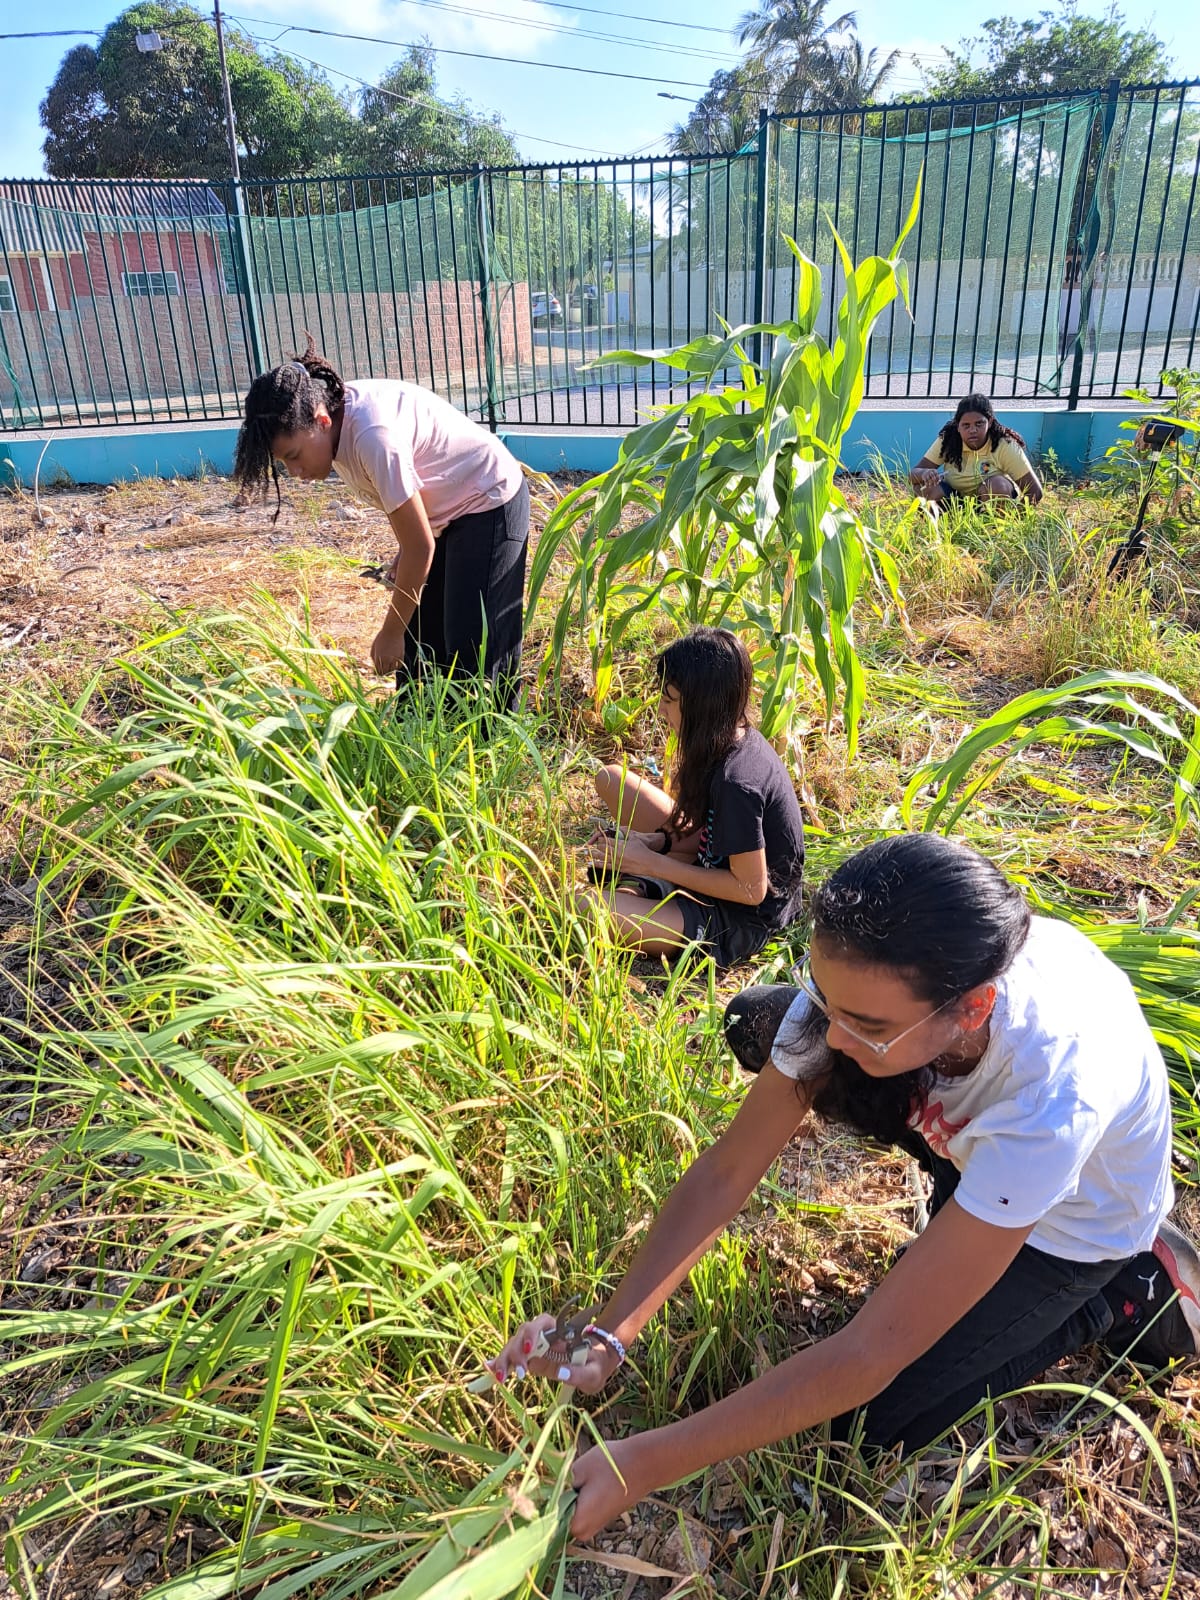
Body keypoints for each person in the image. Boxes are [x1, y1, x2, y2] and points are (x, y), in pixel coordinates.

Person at [488, 834, 1200, 1541]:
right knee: (761, 1024)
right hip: (967, 1125)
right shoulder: (878, 991)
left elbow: (867, 1355)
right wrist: (609, 1336)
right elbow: (726, 1172)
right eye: (827, 999)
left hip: (1070, 1230)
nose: (831, 1033)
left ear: (974, 1008)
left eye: (866, 1022)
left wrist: (643, 1464)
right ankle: (953, 1178)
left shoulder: (1053, 1093)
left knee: (874, 1422)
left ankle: (1128, 1292)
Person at [232, 336, 529, 706]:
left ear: (321, 419)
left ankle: (493, 748)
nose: (294, 472)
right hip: (451, 512)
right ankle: (417, 743)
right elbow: (416, 507)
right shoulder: (336, 432)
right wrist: (409, 556)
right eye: (283, 464)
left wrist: (390, 632)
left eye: (294, 456)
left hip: (490, 499)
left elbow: (421, 547)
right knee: (421, 645)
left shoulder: (372, 436)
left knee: (472, 647)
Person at [579, 627, 805, 966]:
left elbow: (750, 890)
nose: (660, 711)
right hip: (715, 863)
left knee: (584, 910)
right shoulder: (726, 736)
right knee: (611, 780)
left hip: (742, 916)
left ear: (702, 705)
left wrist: (650, 863)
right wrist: (654, 842)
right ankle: (644, 885)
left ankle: (645, 886)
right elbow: (707, 828)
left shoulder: (738, 783)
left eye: (669, 701)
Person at [910, 394, 1044, 510]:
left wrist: (1016, 518)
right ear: (957, 426)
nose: (972, 430)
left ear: (990, 422)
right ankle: (939, 531)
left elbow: (1035, 492)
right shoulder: (948, 440)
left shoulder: (1005, 445)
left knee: (998, 485)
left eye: (979, 424)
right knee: (926, 489)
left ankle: (992, 531)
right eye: (966, 425)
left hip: (990, 505)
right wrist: (925, 473)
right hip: (955, 503)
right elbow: (912, 476)